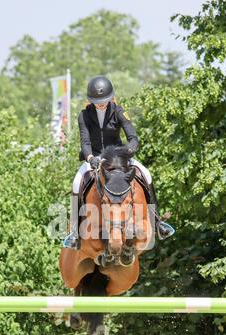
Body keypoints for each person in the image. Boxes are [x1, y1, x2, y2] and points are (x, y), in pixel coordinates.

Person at [63, 76, 175, 249]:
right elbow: (85, 142)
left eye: (104, 101)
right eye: (97, 102)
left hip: (118, 156)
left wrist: (126, 152)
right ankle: (75, 234)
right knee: (77, 182)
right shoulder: (84, 116)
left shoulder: (119, 111)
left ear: (110, 98)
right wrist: (91, 158)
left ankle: (158, 222)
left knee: (146, 173)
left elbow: (133, 138)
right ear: (91, 100)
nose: (101, 104)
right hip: (95, 157)